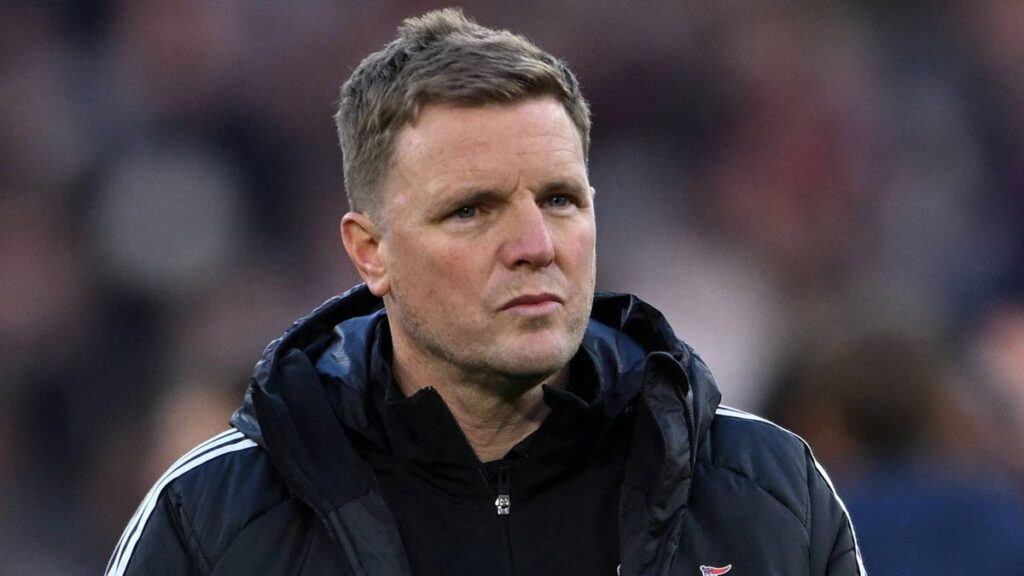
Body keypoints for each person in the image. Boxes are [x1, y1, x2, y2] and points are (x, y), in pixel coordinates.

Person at [105, 9, 863, 575]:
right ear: (372, 253)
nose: (535, 247)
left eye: (561, 200)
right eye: (472, 210)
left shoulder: (768, 494)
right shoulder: (212, 517)